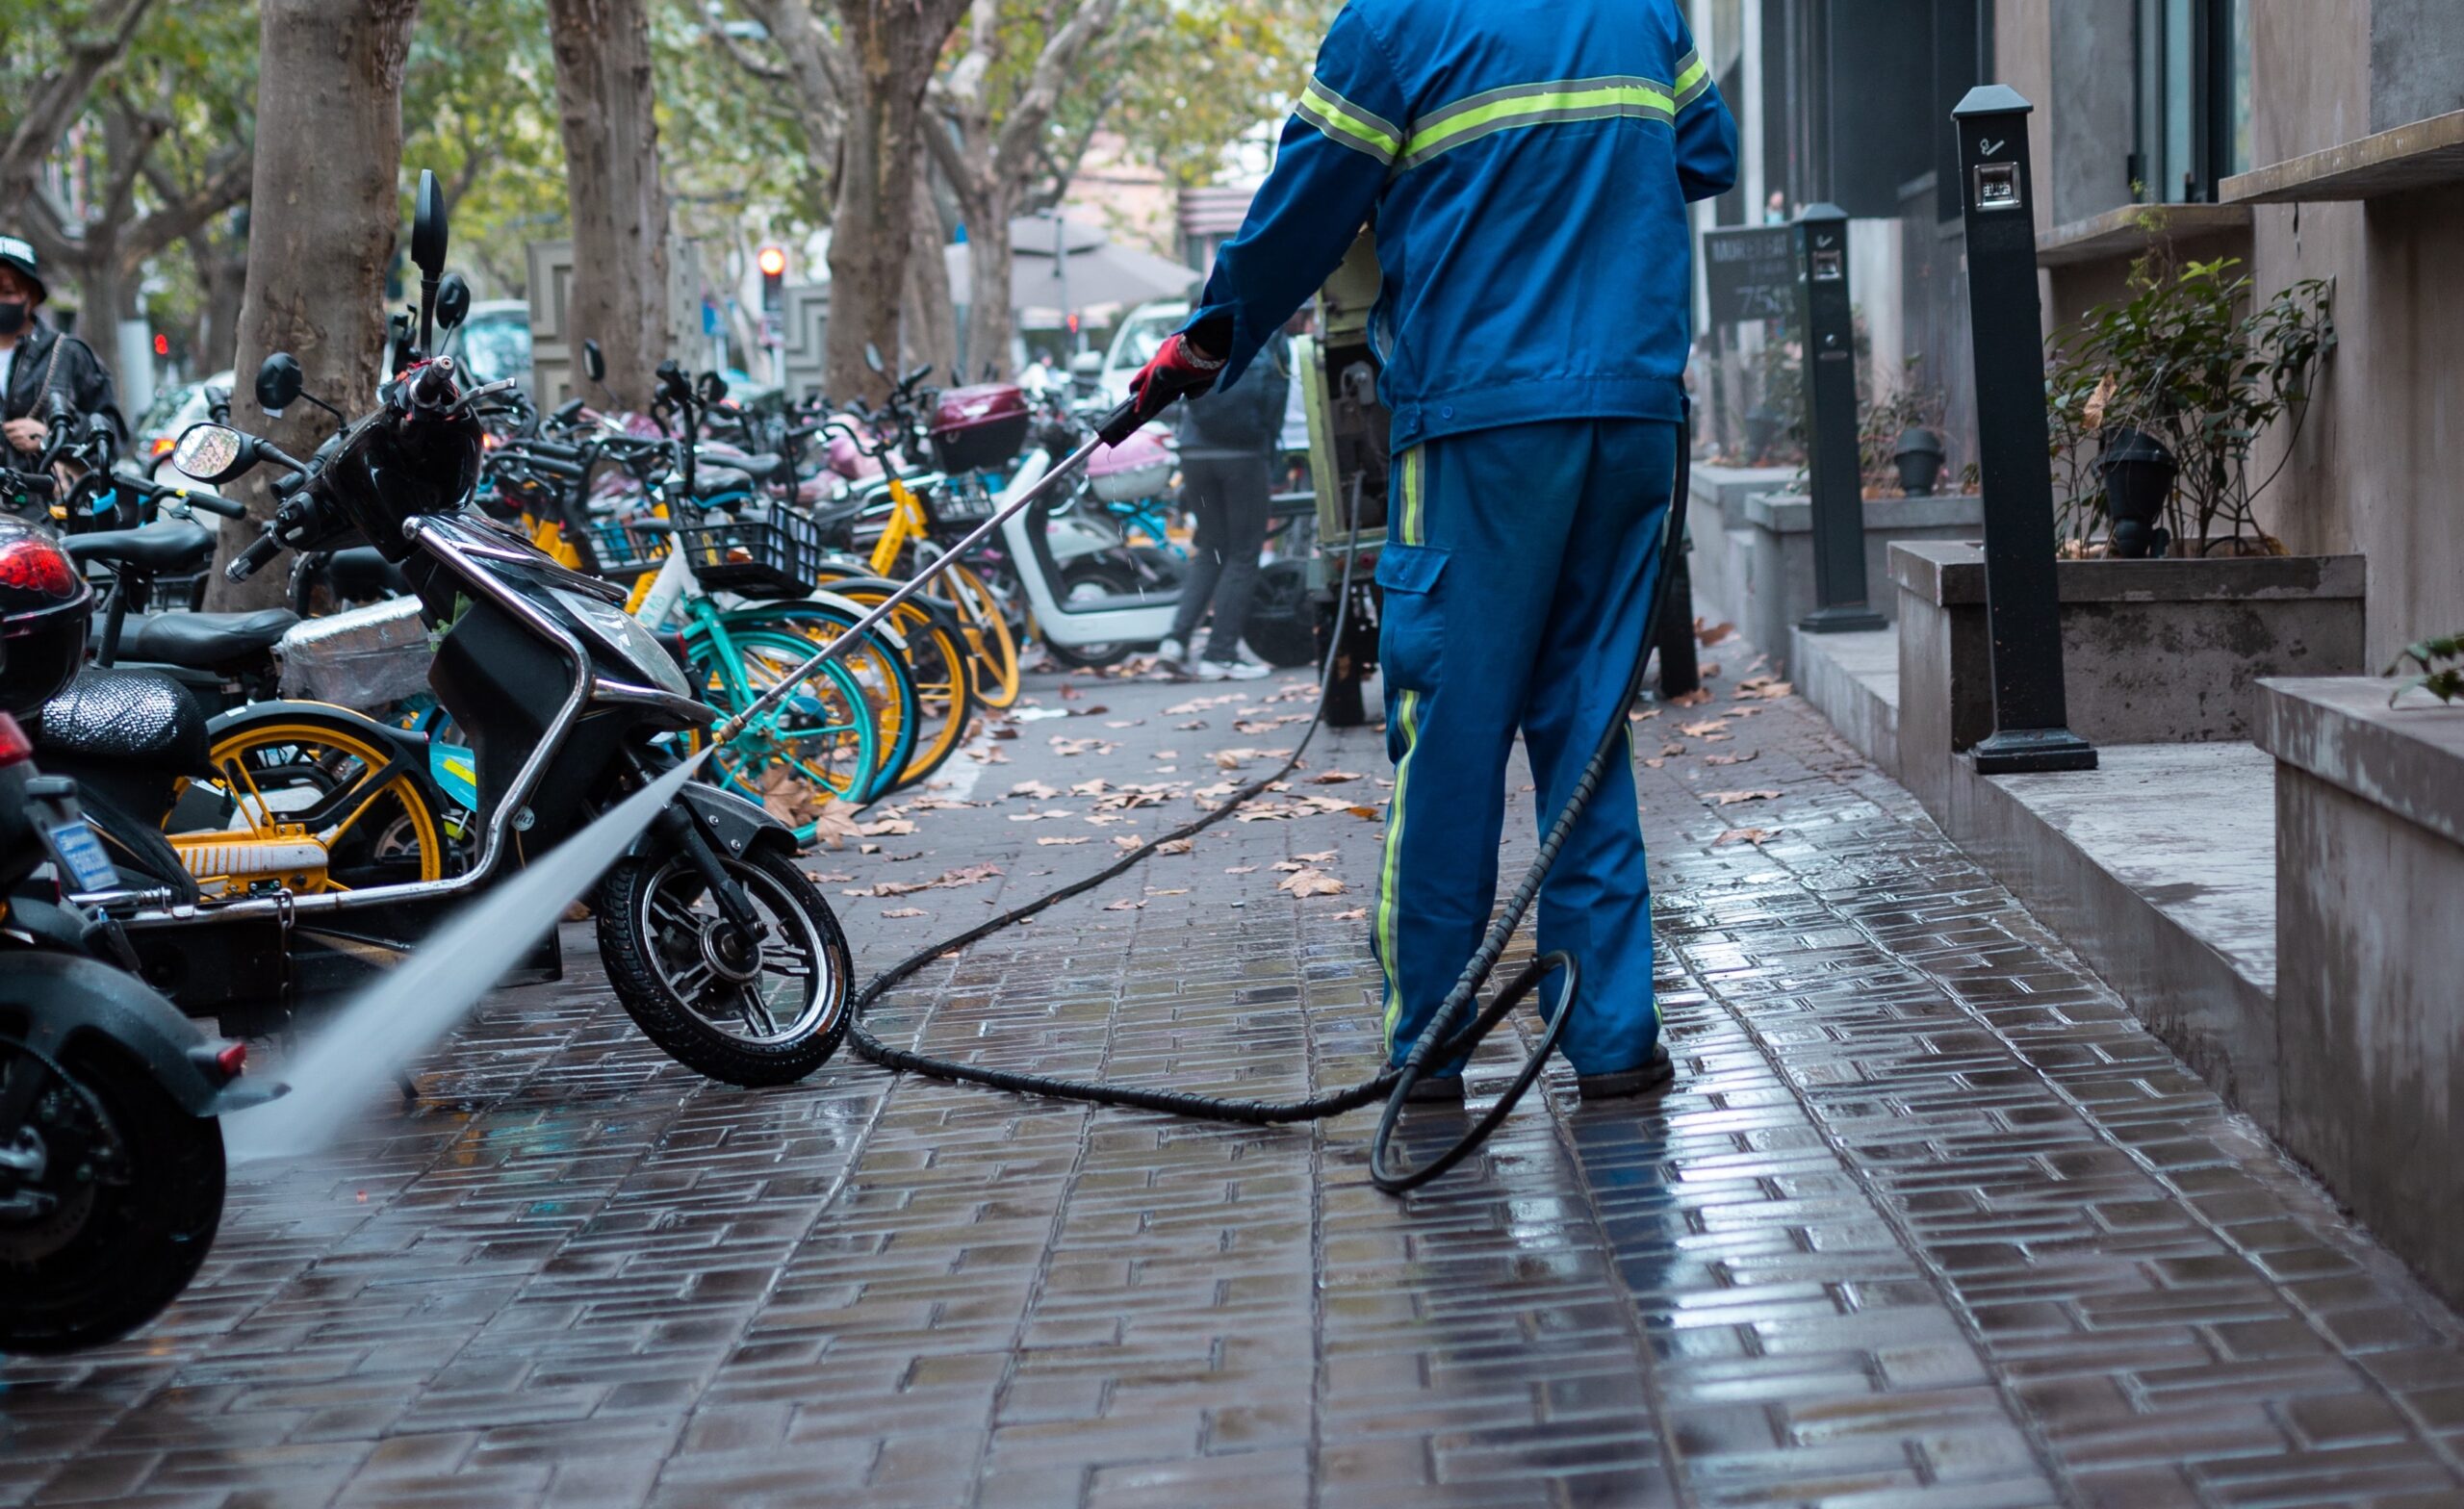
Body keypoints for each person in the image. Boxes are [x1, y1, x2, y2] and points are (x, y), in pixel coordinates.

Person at [1125, 0, 1736, 1101]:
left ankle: (1431, 1042)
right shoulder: (1641, 7)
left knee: (1450, 732)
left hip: (1479, 426)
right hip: (1635, 417)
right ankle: (1610, 1036)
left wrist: (1207, 338)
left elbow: (1300, 213)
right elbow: (1704, 152)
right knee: (1591, 730)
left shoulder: (1394, 23)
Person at [1155, 317, 1293, 680]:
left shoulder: (1206, 317)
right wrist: (1270, 452)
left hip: (1194, 451)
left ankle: (1174, 641)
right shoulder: (1267, 330)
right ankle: (1220, 654)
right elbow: (1276, 398)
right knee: (1245, 552)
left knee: (1211, 545)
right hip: (1243, 457)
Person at [0, 236, 125, 471]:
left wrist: (53, 436)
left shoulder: (69, 354)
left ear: (32, 297)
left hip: (52, 501)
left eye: (7, 291)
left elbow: (112, 435)